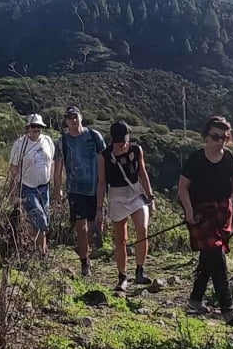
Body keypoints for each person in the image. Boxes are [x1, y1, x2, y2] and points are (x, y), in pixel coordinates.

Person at [179, 115, 233, 325]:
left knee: (209, 255)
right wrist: (189, 212)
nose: (220, 140)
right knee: (216, 254)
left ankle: (195, 299)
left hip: (223, 210)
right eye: (215, 136)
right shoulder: (195, 159)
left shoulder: (230, 158)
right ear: (206, 137)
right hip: (201, 212)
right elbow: (183, 187)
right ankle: (227, 308)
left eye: (224, 137)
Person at [97, 120, 156, 291]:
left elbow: (142, 173)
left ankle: (140, 270)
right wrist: (99, 208)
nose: (122, 146)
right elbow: (102, 183)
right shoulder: (104, 156)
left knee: (142, 230)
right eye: (118, 143)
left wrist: (150, 196)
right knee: (121, 239)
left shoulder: (136, 150)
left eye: (124, 142)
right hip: (116, 195)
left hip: (135, 193)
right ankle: (122, 276)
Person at [52, 105, 106, 278]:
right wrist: (58, 190)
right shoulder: (63, 142)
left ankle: (89, 250)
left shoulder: (94, 136)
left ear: (81, 117)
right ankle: (85, 262)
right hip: (75, 190)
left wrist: (106, 185)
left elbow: (104, 161)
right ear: (66, 122)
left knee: (94, 227)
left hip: (95, 188)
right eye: (69, 118)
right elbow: (58, 168)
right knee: (80, 227)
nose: (73, 120)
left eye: (75, 116)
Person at [8, 113, 55, 255]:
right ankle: (27, 247)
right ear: (28, 128)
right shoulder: (20, 144)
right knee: (40, 218)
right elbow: (14, 168)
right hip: (27, 187)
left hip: (44, 187)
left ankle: (40, 251)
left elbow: (51, 162)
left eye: (39, 127)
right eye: (33, 126)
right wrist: (12, 190)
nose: (36, 129)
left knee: (43, 219)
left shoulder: (47, 141)